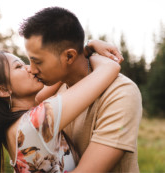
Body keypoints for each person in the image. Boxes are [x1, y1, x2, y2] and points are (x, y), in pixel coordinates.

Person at [19, 7, 142, 173]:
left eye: (38, 62)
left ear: (69, 56)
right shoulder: (55, 87)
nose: (32, 70)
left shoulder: (121, 93)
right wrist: (88, 46)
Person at [0, 50, 120, 172]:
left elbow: (61, 73)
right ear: (3, 90)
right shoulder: (35, 122)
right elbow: (110, 67)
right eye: (19, 66)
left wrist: (86, 48)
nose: (30, 68)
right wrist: (90, 54)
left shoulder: (16, 124)